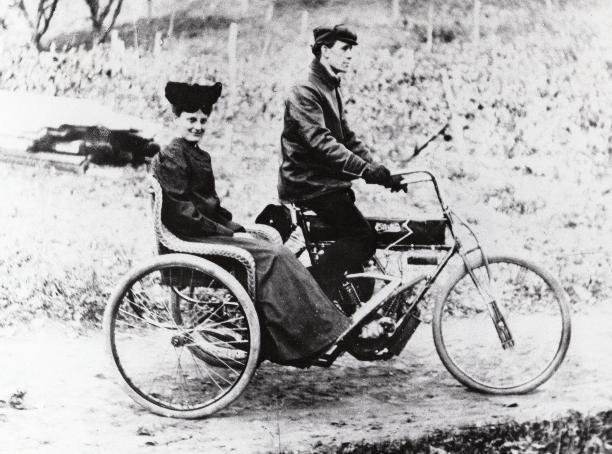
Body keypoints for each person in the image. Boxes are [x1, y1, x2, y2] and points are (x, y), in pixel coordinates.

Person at [150, 81, 385, 366]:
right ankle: (310, 336)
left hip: (207, 232)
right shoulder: (172, 157)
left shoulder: (196, 154)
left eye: (202, 121)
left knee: (280, 253)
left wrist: (235, 228)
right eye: (191, 120)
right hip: (192, 238)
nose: (198, 126)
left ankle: (309, 333)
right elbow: (183, 214)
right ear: (176, 119)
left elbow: (209, 207)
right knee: (274, 255)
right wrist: (228, 233)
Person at [278, 24, 405, 301]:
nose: (350, 55)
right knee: (363, 238)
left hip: (326, 183)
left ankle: (342, 301)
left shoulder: (329, 86)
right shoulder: (305, 89)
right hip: (309, 184)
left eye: (351, 50)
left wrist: (381, 173)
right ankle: (310, 297)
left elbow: (347, 138)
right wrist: (365, 170)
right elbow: (321, 142)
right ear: (325, 51)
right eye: (345, 49)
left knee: (355, 243)